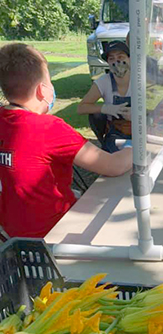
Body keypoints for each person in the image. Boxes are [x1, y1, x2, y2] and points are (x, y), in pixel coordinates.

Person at [0, 43, 133, 239]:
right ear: (42, 91)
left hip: (13, 233)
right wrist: (139, 147)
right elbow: (113, 166)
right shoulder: (48, 128)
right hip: (54, 233)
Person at [77, 41, 131, 153]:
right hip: (116, 133)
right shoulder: (104, 81)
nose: (117, 61)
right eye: (111, 59)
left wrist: (139, 114)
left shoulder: (141, 79)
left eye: (121, 57)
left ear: (130, 58)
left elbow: (159, 106)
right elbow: (81, 108)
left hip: (143, 131)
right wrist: (105, 108)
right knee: (116, 161)